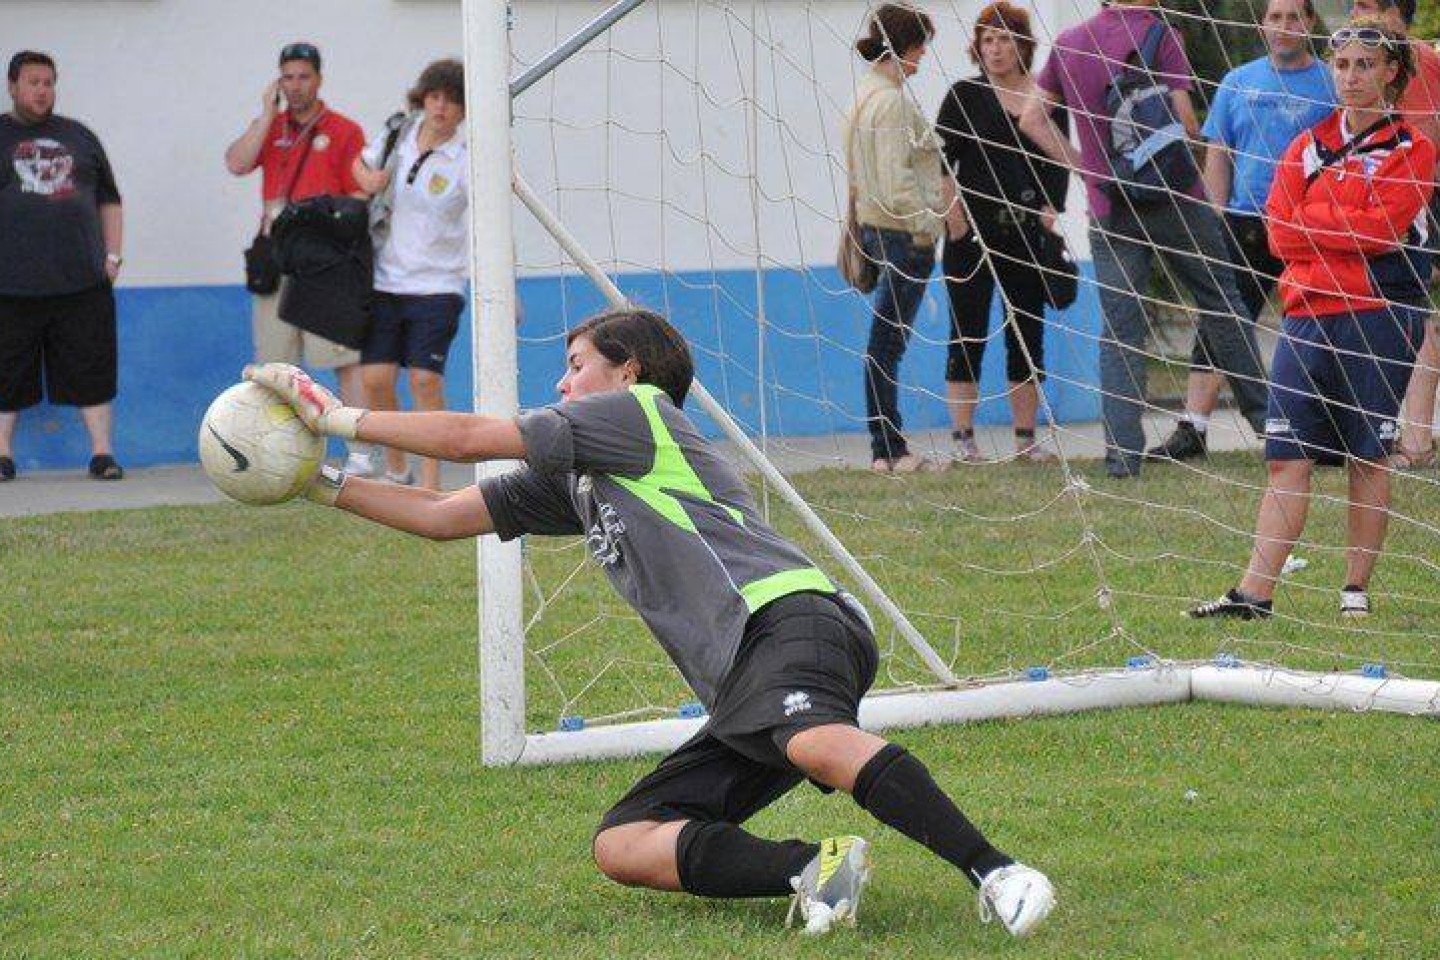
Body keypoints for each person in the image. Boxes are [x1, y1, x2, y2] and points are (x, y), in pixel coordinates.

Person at [243, 306, 1056, 938]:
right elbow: (439, 515)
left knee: (814, 740)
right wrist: (318, 482)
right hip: (745, 681)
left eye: (575, 367)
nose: (563, 385)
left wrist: (335, 414)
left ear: (628, 370)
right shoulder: (580, 474)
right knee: (626, 840)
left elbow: (467, 436)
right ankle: (817, 871)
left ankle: (999, 872)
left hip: (789, 618)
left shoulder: (640, 413)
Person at [1189, 19, 1433, 620]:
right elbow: (1277, 231)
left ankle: (1355, 590)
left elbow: (1380, 230)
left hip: (1377, 317)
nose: (1351, 77)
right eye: (1343, 65)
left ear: (1391, 73)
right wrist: (1337, 226)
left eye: (1365, 66)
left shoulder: (1416, 150)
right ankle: (1254, 594)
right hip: (1304, 317)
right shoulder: (1306, 144)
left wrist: (1319, 222)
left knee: (1367, 456)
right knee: (1284, 456)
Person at [1019, 0, 1271, 479]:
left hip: (1112, 205)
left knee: (1120, 327)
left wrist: (1086, 165)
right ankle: (1267, 424)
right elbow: (1187, 121)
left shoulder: (1069, 43)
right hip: (1177, 196)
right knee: (1221, 301)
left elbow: (1032, 119)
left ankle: (1122, 454)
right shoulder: (1161, 35)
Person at [1146, 0, 1335, 463]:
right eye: (1276, 17)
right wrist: (1213, 218)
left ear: (1309, 23)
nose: (1285, 26)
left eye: (1295, 17)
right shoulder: (1237, 81)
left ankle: (1323, 429)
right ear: (1262, 24)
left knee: (1316, 327)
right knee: (1222, 322)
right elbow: (1218, 152)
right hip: (1244, 221)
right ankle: (1193, 429)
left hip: (1308, 224)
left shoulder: (1332, 83)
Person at [223, 42, 372, 474]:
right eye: (287, 77)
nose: (295, 85)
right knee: (273, 363)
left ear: (319, 79)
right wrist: (266, 115)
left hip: (324, 262)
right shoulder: (270, 126)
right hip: (277, 256)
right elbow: (236, 162)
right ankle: (271, 450)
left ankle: (360, 452)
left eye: (303, 76)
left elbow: (360, 192)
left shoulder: (344, 130)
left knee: (342, 359)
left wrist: (319, 221)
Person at [935, 1, 1070, 463]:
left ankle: (1025, 439)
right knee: (966, 332)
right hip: (970, 237)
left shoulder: (1046, 98)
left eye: (1005, 38)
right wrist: (954, 221)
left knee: (1026, 333)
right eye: (987, 40)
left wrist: (1053, 210)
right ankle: (963, 440)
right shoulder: (963, 96)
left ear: (1023, 45)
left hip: (1026, 237)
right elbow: (940, 163)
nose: (995, 48)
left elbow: (1060, 161)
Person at [0, 51, 125, 481]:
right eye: (33, 82)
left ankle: (102, 454)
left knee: (92, 367)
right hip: (10, 285)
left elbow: (109, 199)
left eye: (48, 82)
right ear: (12, 85)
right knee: (5, 372)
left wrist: (112, 257)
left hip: (81, 282)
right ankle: (2, 456)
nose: (42, 90)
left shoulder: (79, 137)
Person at [352, 59, 469, 490]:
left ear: (464, 109)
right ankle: (397, 468)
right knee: (376, 379)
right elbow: (359, 166)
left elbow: (490, 213)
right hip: (385, 279)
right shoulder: (397, 135)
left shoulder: (464, 159)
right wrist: (370, 178)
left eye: (453, 100)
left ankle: (431, 482)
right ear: (423, 97)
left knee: (424, 380)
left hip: (438, 285)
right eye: (435, 97)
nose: (441, 107)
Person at [848, 3, 948, 474]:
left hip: (879, 229)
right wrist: (929, 227)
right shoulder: (890, 102)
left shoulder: (865, 95)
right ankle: (888, 447)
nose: (925, 55)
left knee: (886, 342)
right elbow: (895, 184)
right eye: (921, 44)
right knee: (886, 343)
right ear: (906, 47)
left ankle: (886, 446)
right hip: (902, 234)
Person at [1351, 0, 1440, 470]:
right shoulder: (1365, 56)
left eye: (1364, 4)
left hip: (1411, 202)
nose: (1353, 12)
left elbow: (1420, 142)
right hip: (1383, 199)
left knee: (1410, 319)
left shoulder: (1412, 56)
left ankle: (1415, 438)